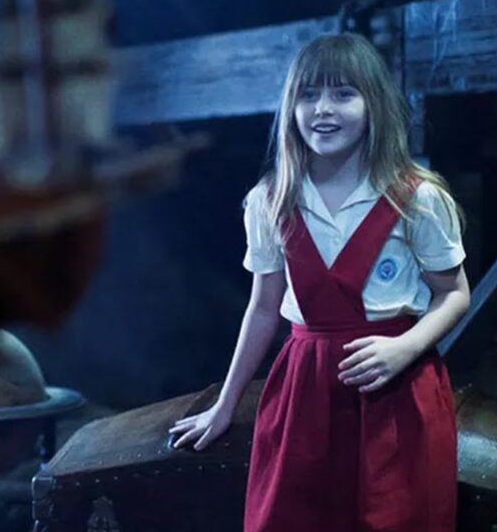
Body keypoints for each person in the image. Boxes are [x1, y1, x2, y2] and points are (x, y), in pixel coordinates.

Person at [167, 33, 470, 532]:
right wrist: (225, 404)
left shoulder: (417, 197)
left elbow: (454, 293)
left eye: (343, 94)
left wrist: (405, 348)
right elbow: (263, 308)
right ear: (291, 108)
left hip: (395, 386)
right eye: (308, 95)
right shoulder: (271, 200)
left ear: (373, 104)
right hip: (305, 390)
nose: (323, 109)